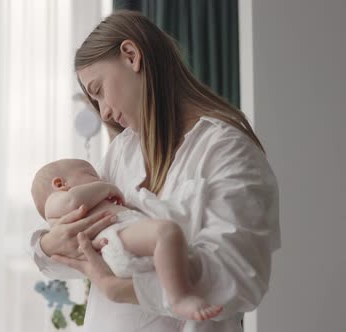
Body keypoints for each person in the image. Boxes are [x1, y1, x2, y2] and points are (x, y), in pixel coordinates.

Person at [29, 10, 280, 332]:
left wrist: (124, 290)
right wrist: (50, 243)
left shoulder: (225, 149)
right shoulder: (123, 150)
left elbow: (239, 278)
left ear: (131, 56)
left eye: (100, 89)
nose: (103, 110)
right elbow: (85, 247)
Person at [31, 158, 223, 321]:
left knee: (175, 246)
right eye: (91, 176)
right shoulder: (56, 201)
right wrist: (106, 188)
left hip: (121, 240)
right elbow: (73, 201)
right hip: (115, 236)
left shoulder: (81, 200)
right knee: (167, 232)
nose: (99, 179)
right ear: (60, 184)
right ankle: (180, 297)